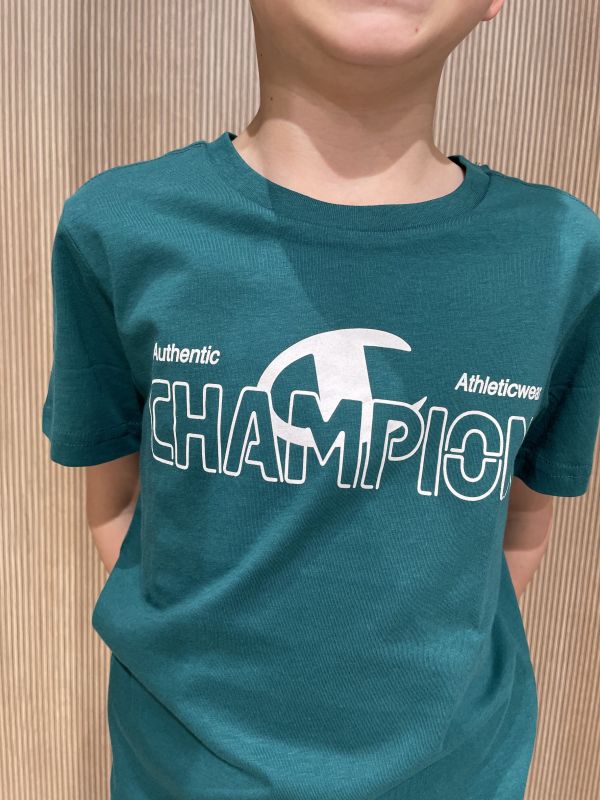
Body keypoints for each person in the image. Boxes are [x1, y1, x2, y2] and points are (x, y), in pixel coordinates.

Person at [41, 1, 600, 798]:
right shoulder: (120, 227)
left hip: (458, 775)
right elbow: (118, 496)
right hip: (183, 773)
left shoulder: (560, 253)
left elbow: (526, 515)